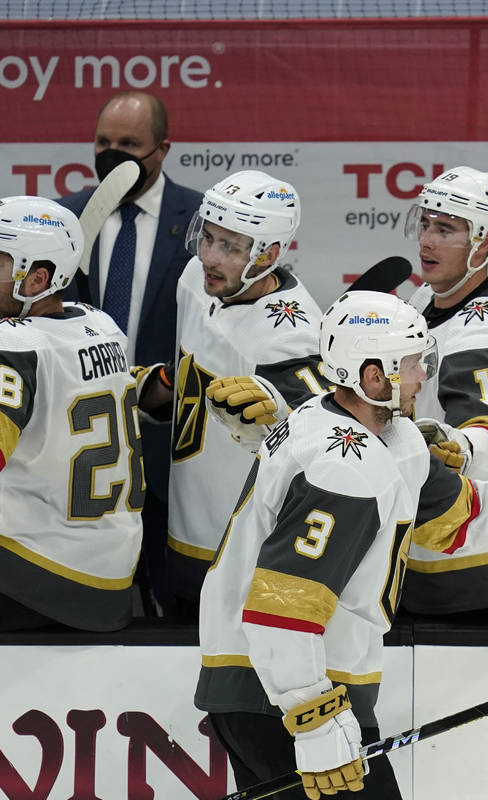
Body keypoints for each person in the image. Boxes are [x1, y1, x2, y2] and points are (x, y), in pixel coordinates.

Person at [195, 290, 488, 799]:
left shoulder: (386, 438)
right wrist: (313, 720)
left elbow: (463, 517)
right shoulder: (342, 465)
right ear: (374, 375)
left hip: (286, 682)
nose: (423, 375)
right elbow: (282, 608)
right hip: (276, 691)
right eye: (414, 363)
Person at [139, 169, 320, 619]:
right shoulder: (194, 279)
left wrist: (281, 412)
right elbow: (190, 372)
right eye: (208, 237)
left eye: (230, 247)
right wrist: (166, 384)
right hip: (182, 527)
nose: (209, 258)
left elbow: (320, 446)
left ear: (269, 254)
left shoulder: (291, 336)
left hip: (241, 552)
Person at [58, 90, 203, 616]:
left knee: (180, 609)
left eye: (128, 143)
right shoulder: (62, 220)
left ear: (162, 149)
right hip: (79, 457)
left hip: (171, 453)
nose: (111, 153)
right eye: (102, 142)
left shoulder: (203, 223)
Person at [399, 166, 488, 620]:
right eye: (425, 224)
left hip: (479, 567)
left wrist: (457, 446)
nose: (427, 240)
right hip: (434, 550)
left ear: (484, 243)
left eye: (445, 229)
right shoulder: (422, 300)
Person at [0, 196, 144, 632]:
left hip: (35, 575)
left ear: (36, 278)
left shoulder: (15, 348)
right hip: (109, 571)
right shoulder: (101, 326)